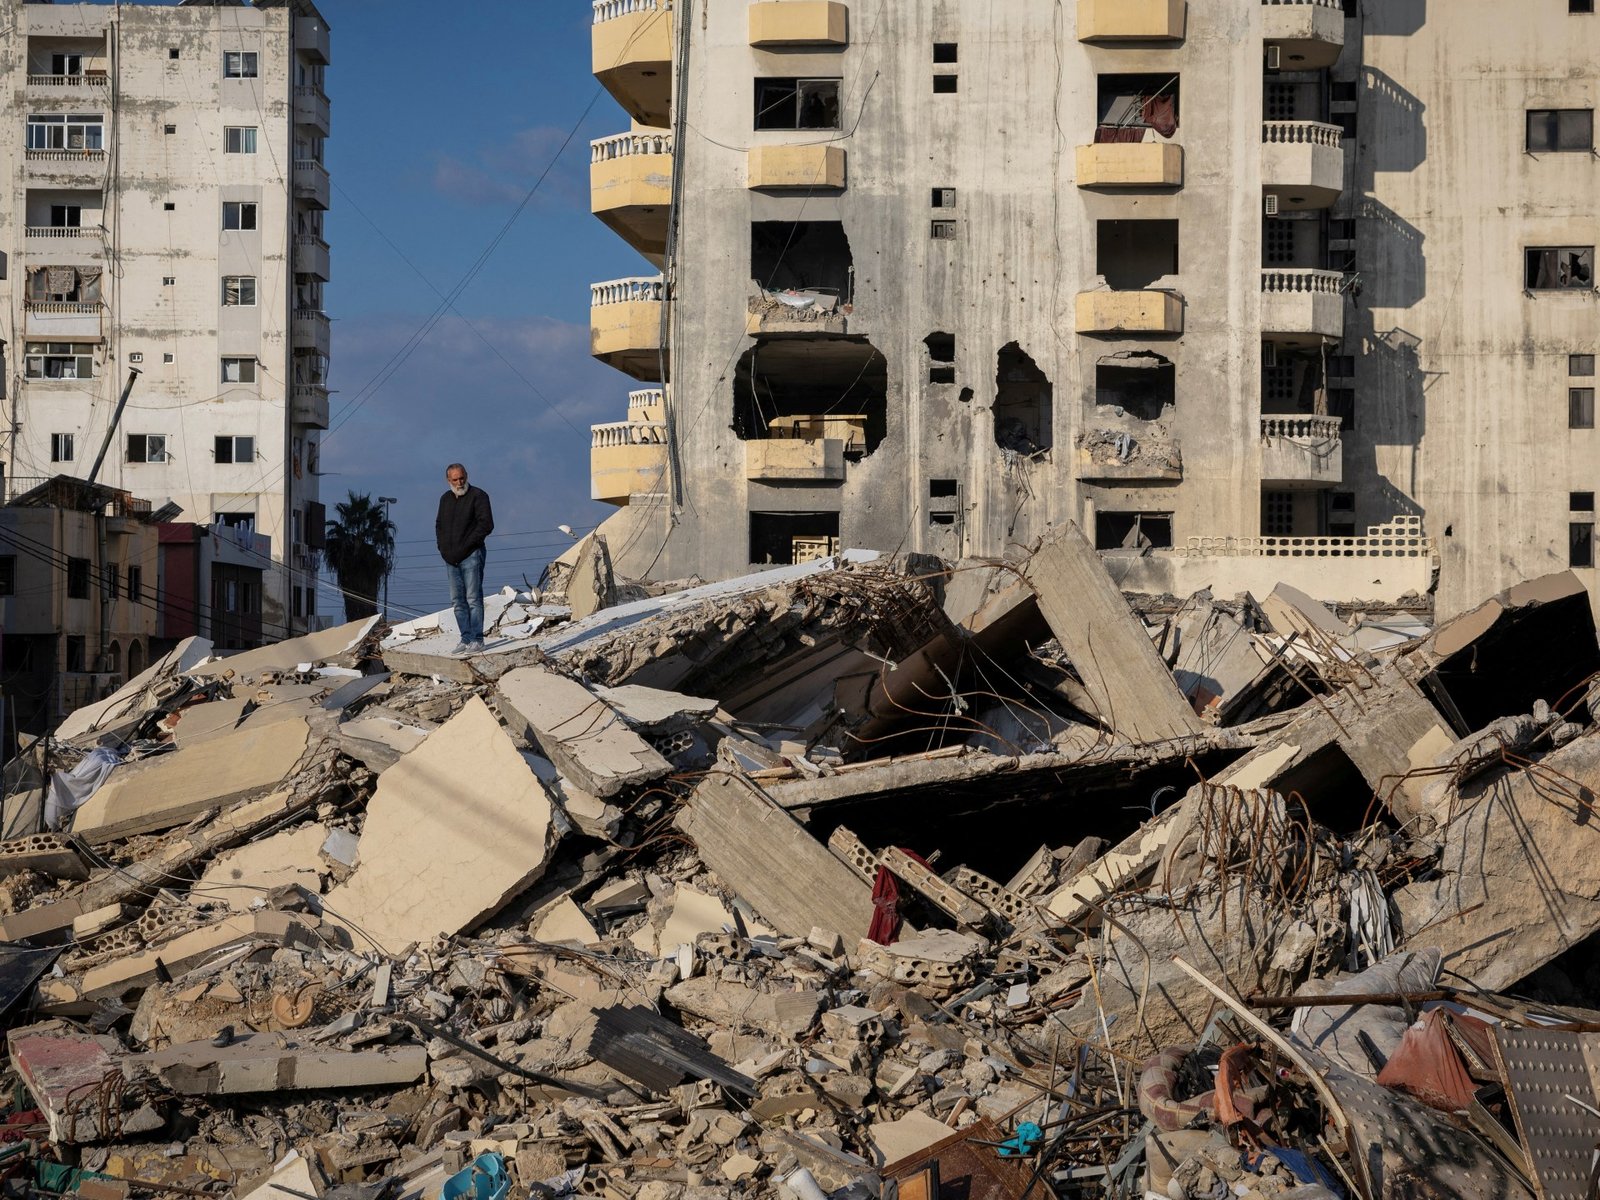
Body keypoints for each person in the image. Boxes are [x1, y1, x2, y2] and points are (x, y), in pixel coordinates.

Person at [435, 462, 494, 654]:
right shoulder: (445, 499)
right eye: (455, 479)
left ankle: (477, 639)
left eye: (462, 478)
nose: (459, 482)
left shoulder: (479, 496)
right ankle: (465, 638)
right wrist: (443, 549)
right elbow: (439, 525)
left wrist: (467, 547)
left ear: (466, 475)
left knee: (473, 598)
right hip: (451, 559)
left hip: (471, 556)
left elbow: (486, 525)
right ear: (448, 480)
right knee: (457, 601)